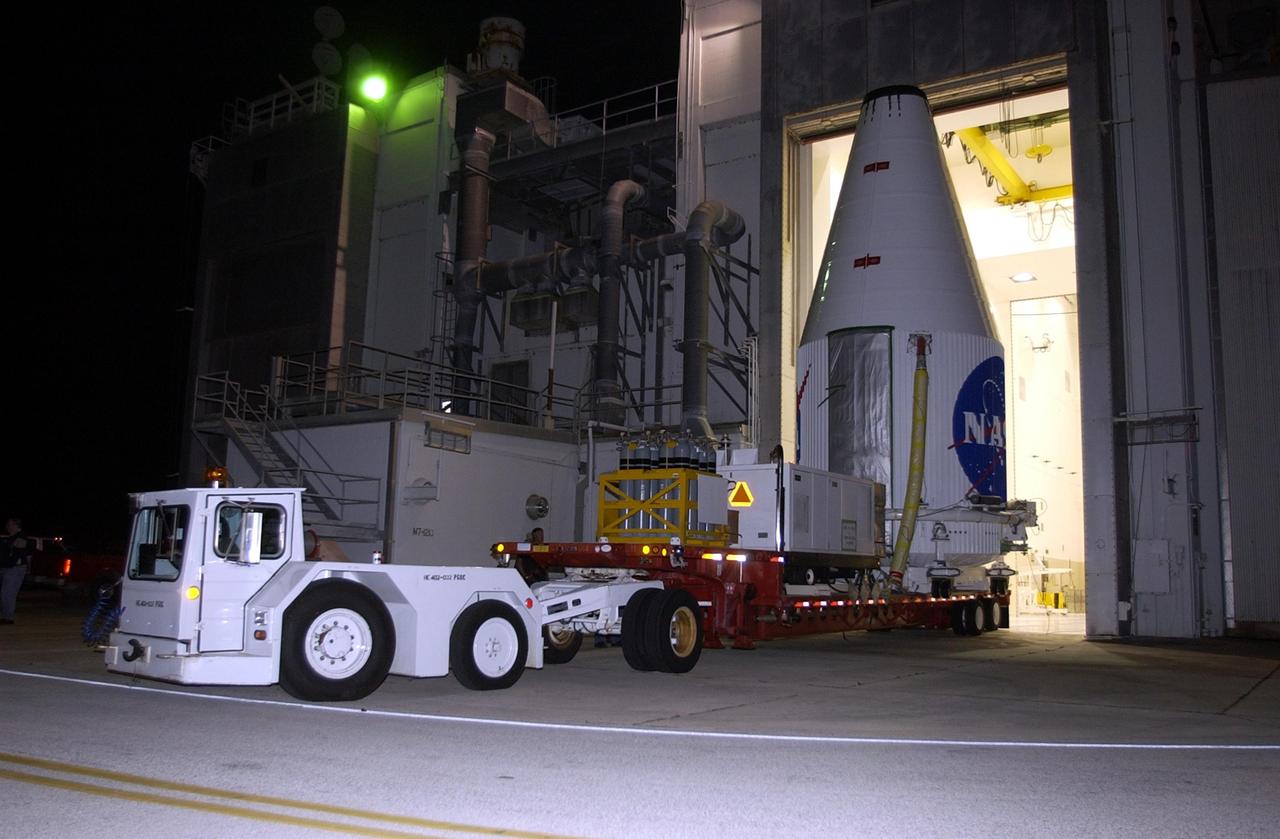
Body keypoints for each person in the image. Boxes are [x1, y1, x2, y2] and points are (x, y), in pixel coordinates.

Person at [1, 517, 34, 625]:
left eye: (9, 524)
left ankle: (8, 617)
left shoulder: (21, 538)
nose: (7, 526)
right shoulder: (12, 538)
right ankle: (6, 616)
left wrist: (28, 568)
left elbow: (26, 554)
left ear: (16, 525)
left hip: (15, 568)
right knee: (5, 593)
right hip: (9, 568)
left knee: (9, 593)